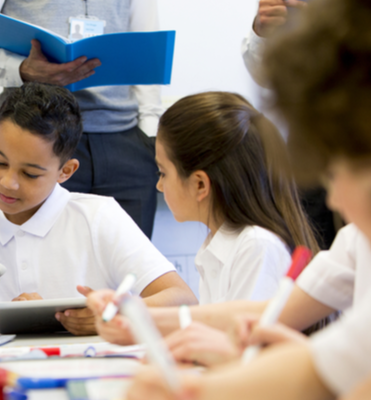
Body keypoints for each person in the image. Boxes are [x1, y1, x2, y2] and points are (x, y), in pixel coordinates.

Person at [120, 0, 371, 397]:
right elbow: (315, 352)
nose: (334, 200)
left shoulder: (257, 244)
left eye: (340, 171)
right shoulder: (358, 241)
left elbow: (324, 369)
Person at [0, 83, 196, 336]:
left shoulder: (98, 217)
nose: (8, 182)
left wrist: (113, 312)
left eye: (30, 173)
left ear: (66, 171)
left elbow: (183, 299)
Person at [0, 0, 163, 238]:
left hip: (124, 142)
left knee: (130, 267)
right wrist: (19, 68)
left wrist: (149, 134)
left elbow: (147, 47)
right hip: (36, 138)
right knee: (32, 263)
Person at [154, 91, 318, 305]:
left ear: (200, 184)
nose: (158, 185)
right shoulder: (219, 244)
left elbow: (243, 336)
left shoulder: (256, 247)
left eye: (163, 173)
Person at [242, 0, 338, 251]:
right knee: (312, 253)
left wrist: (326, 21)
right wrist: (263, 32)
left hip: (358, 138)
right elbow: (263, 75)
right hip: (309, 148)